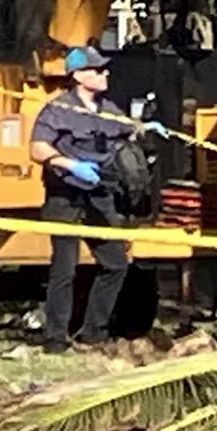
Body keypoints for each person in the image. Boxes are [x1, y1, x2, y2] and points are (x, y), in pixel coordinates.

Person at [29, 46, 168, 353]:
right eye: (98, 70)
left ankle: (93, 334)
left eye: (105, 69)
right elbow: (37, 149)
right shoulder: (58, 109)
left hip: (100, 196)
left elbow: (127, 131)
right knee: (64, 268)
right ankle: (55, 339)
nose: (105, 74)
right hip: (65, 196)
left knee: (116, 263)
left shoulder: (107, 107)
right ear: (78, 76)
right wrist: (70, 165)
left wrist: (146, 129)